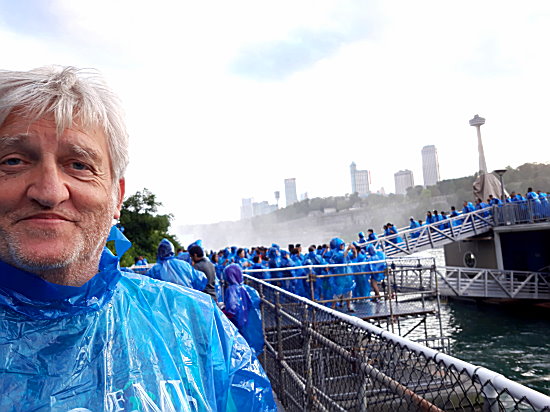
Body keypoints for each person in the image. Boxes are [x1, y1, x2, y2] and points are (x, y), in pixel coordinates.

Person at [0, 66, 275, 410]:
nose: (49, 191)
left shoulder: (196, 327)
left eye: (79, 165)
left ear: (117, 196)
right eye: (13, 160)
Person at [222, 264, 265, 356]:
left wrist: (221, 312)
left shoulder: (231, 290)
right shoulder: (249, 289)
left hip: (239, 325)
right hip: (252, 326)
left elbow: (231, 310)